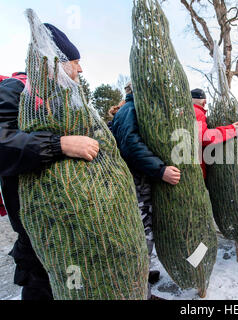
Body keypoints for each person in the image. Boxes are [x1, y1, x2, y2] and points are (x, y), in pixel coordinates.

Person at [0, 24, 99, 300]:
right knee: (42, 288)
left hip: (65, 228)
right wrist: (59, 145)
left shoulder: (59, 101)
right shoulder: (15, 91)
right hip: (37, 233)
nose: (80, 70)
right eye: (76, 63)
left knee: (70, 283)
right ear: (55, 62)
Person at [111, 82, 181, 300]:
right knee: (143, 235)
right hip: (135, 183)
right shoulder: (130, 111)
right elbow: (130, 145)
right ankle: (142, 293)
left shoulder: (131, 109)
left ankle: (143, 275)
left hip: (139, 180)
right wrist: (160, 170)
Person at [191, 88, 238, 179]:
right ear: (204, 102)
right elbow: (204, 137)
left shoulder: (183, 112)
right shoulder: (197, 112)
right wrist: (231, 130)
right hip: (194, 170)